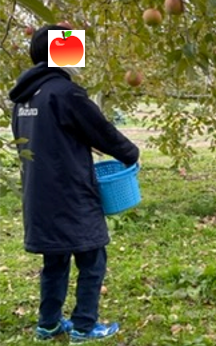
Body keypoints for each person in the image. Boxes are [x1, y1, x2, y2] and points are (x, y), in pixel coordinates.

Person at [9, 25, 140, 342]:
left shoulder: (23, 98)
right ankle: (84, 326)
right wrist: (130, 153)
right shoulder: (65, 93)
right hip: (71, 193)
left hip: (38, 194)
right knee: (92, 258)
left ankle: (49, 323)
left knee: (55, 259)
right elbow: (101, 130)